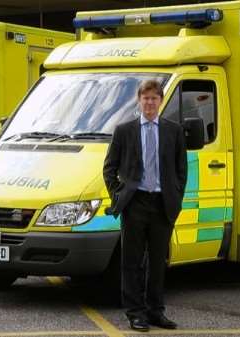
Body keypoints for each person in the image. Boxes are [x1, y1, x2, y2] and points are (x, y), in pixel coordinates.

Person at [103, 80, 187, 332]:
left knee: (158, 261)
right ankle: (135, 313)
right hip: (135, 203)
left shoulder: (173, 131)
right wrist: (119, 195)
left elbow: (181, 170)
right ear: (139, 101)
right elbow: (109, 168)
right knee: (132, 261)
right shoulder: (124, 131)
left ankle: (155, 311)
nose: (149, 103)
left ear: (161, 101)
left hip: (162, 204)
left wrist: (175, 197)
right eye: (145, 98)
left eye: (154, 98)